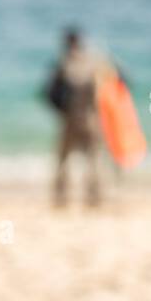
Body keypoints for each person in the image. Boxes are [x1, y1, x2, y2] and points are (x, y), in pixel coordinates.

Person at [44, 28, 112, 207]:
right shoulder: (96, 61)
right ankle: (95, 197)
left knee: (63, 160)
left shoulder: (63, 64)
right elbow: (116, 85)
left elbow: (49, 93)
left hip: (70, 119)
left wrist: (61, 111)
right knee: (94, 159)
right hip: (92, 118)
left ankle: (60, 198)